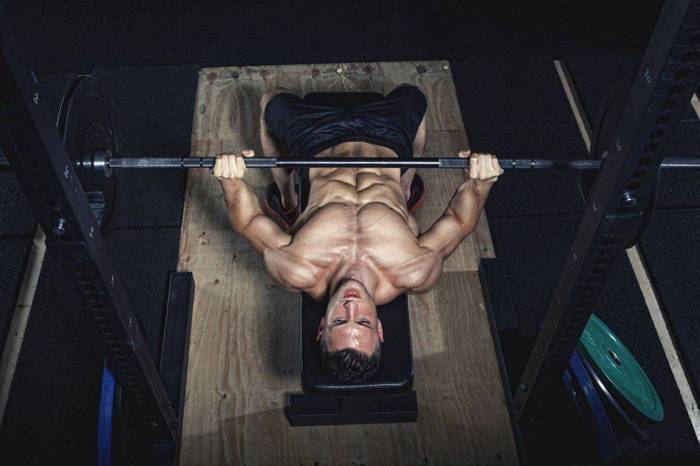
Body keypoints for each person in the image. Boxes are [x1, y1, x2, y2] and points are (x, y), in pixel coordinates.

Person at [213, 85, 502, 383]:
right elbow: (459, 222)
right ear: (379, 328)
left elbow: (248, 221)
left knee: (270, 99)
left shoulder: (297, 268)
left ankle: (288, 196)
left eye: (339, 319)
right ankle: (403, 187)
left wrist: (230, 181)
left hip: (317, 140)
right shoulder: (414, 271)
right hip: (387, 141)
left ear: (322, 326)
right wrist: (481, 182)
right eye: (363, 321)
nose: (351, 305)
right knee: (413, 95)